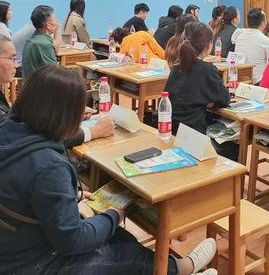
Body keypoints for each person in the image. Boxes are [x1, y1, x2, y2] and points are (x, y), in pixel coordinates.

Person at [0, 64, 218, 275]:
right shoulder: (48, 166)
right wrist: (114, 215)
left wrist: (69, 196)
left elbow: (24, 191)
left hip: (16, 248)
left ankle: (173, 269)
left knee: (123, 240)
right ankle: (185, 269)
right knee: (128, 254)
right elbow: (71, 240)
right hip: (33, 264)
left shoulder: (11, 134)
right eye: (78, 110)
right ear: (60, 115)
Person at [165, 22, 237, 160]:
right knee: (233, 145)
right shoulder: (207, 69)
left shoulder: (176, 66)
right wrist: (207, 102)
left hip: (173, 130)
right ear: (208, 45)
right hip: (193, 135)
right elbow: (224, 100)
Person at [232, 8, 269, 84]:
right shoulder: (265, 41)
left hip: (239, 79)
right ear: (263, 23)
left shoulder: (239, 36)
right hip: (257, 82)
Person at [22, 5, 62, 80]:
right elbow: (53, 74)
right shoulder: (44, 44)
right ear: (48, 25)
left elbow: (55, 49)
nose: (57, 23)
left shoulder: (34, 40)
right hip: (40, 89)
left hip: (30, 87)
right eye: (56, 20)